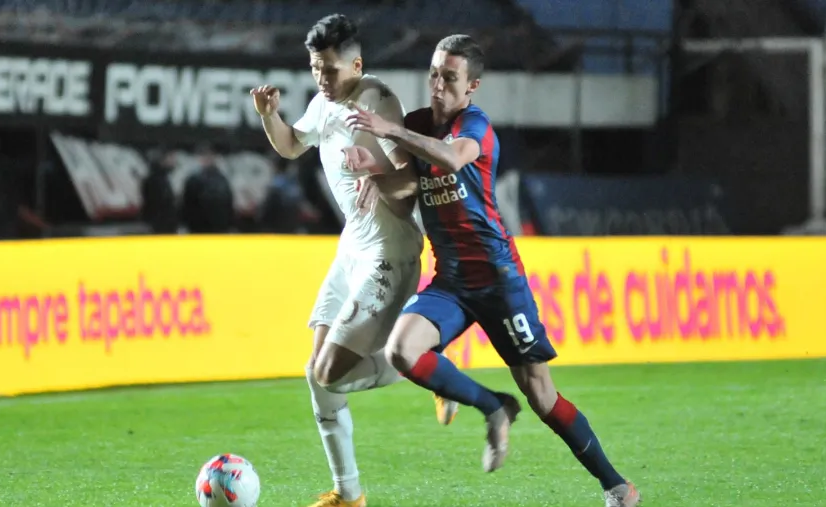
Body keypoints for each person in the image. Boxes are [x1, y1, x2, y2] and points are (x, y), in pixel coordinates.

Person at [343, 34, 642, 507]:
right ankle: (492, 405)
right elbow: (407, 188)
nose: (437, 85)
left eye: (449, 78)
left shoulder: (476, 126)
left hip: (499, 279)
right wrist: (373, 173)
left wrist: (391, 132)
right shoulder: (419, 124)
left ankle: (617, 486)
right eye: (434, 74)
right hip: (452, 281)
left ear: (472, 87)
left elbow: (452, 156)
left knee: (542, 395)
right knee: (402, 350)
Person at [249, 14, 458, 507]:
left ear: (357, 64)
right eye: (316, 68)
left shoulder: (377, 102)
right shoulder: (324, 103)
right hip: (352, 250)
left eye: (331, 69)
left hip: (390, 250)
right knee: (316, 374)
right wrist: (268, 114)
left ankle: (425, 359)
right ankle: (350, 495)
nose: (322, 78)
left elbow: (411, 186)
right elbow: (290, 145)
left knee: (329, 372)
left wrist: (376, 170)